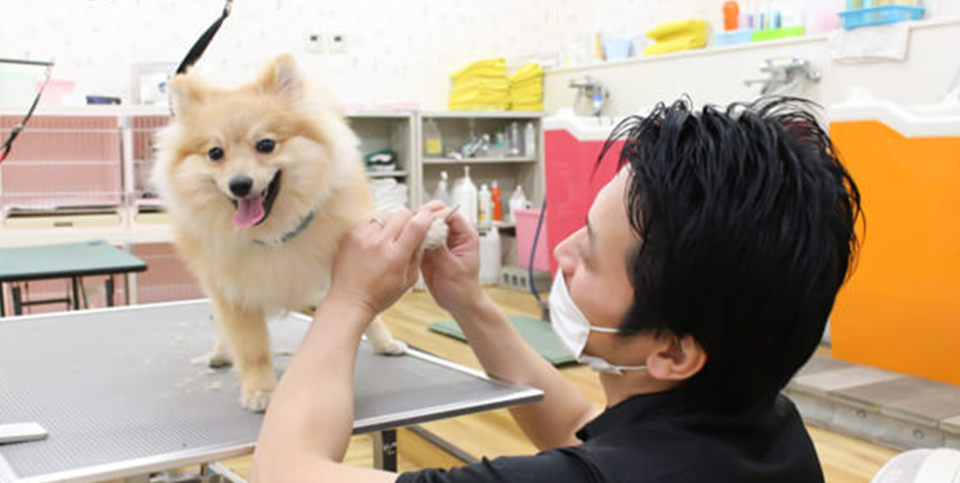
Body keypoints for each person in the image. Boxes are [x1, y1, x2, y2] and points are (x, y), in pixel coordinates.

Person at [249, 97, 861, 483]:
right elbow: (578, 423)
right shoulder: (767, 428)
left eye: (589, 253)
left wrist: (347, 301)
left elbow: (284, 473)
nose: (561, 255)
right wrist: (469, 300)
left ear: (672, 352)